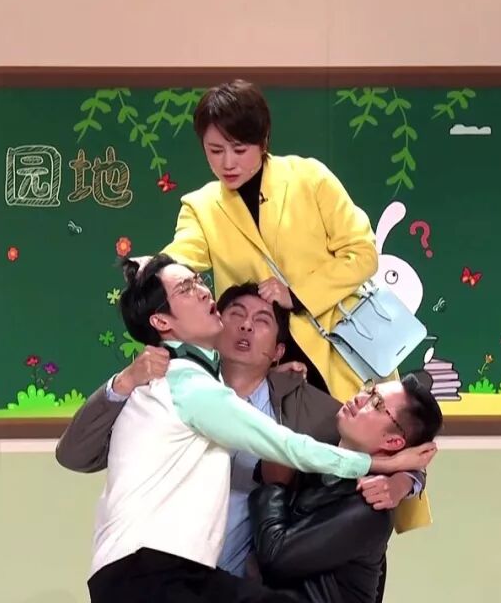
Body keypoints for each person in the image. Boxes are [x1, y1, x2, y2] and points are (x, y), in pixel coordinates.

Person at [143, 78, 434, 533]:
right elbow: (182, 258)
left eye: (239, 149)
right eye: (214, 150)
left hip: (343, 356)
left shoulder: (309, 178)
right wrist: (152, 268)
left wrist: (296, 293)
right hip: (267, 374)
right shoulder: (200, 207)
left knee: (370, 484)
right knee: (269, 504)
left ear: (263, 141)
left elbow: (363, 254)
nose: (227, 163)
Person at [77, 254, 435, 603]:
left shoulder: (302, 407)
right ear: (161, 321)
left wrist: (405, 476)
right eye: (187, 288)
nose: (203, 291)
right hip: (153, 567)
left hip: (191, 574)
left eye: (199, 281)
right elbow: (289, 446)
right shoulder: (178, 383)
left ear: (278, 350)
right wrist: (381, 463)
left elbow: (390, 439)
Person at [249, 376, 444, 603]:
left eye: (376, 403)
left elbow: (275, 558)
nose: (360, 398)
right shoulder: (323, 444)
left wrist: (274, 486)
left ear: (392, 442)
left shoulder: (369, 505)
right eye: (369, 390)